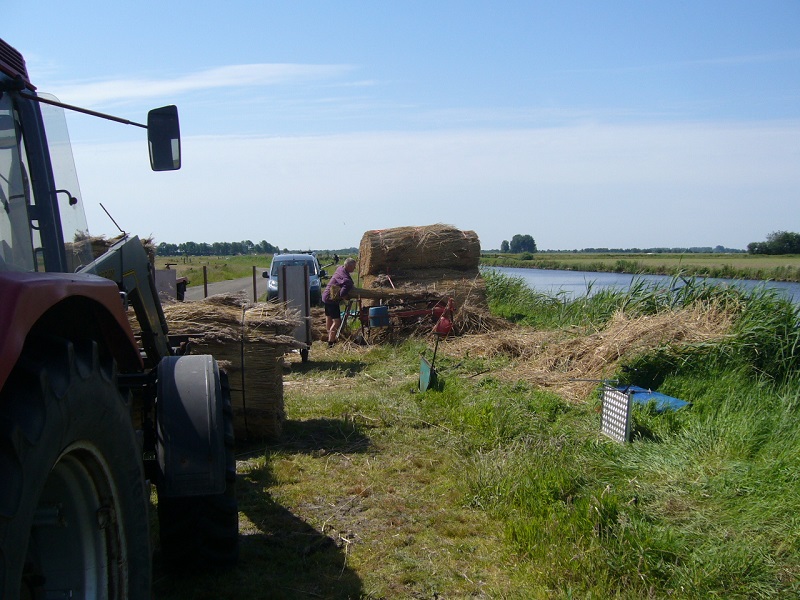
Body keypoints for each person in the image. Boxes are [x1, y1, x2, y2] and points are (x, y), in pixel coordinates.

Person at [322, 257, 357, 347]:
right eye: (354, 266)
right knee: (337, 321)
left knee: (329, 318)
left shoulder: (340, 269)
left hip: (326, 296)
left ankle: (329, 337)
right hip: (332, 300)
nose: (355, 268)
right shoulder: (347, 280)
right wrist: (347, 298)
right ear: (348, 266)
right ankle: (331, 342)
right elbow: (342, 294)